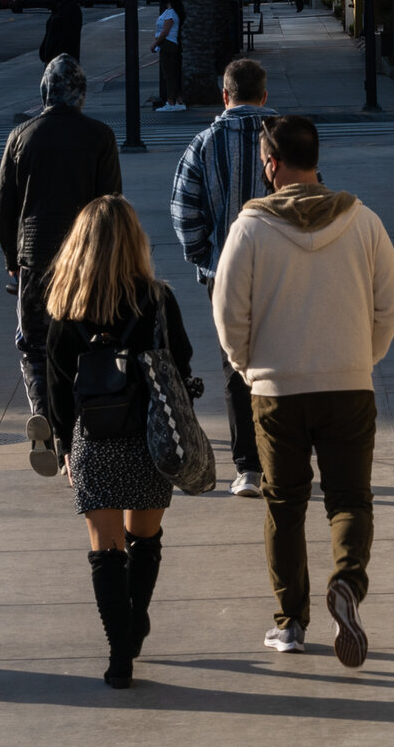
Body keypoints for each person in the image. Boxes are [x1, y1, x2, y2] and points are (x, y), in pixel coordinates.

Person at [212, 115, 394, 667]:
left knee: (285, 504)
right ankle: (347, 580)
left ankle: (290, 621)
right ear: (316, 159)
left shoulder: (249, 229)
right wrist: (362, 357)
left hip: (277, 391)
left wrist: (249, 368)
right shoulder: (362, 222)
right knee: (349, 499)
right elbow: (390, 303)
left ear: (271, 164)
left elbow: (229, 315)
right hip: (348, 384)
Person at [42, 195, 197, 690]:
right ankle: (135, 624)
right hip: (149, 436)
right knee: (144, 539)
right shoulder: (157, 299)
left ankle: (119, 655)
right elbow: (183, 364)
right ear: (135, 242)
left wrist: (65, 444)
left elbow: (56, 389)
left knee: (105, 549)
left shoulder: (65, 309)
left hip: (94, 437)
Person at [0, 54, 122, 472]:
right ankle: (81, 428)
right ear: (81, 95)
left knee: (34, 346)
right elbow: (111, 204)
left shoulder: (20, 137)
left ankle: (45, 416)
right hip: (86, 260)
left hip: (36, 257)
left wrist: (13, 261)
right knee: (87, 342)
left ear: (45, 92)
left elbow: (3, 208)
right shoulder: (100, 136)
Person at [169, 57, 279, 497]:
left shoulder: (204, 142)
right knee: (279, 360)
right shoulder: (284, 136)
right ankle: (279, 456)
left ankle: (247, 467)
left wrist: (204, 258)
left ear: (225, 95)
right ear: (264, 95)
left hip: (224, 273)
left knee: (235, 364)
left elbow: (183, 209)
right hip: (280, 270)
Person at [37, 0, 84, 65]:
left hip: (64, 63)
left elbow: (69, 38)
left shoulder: (72, 9)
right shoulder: (57, 8)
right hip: (52, 63)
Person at [152, 0, 184, 112]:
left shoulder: (171, 14)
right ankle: (178, 100)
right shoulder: (169, 11)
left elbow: (165, 31)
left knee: (169, 74)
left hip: (168, 44)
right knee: (171, 73)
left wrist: (155, 43)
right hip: (168, 45)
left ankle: (171, 101)